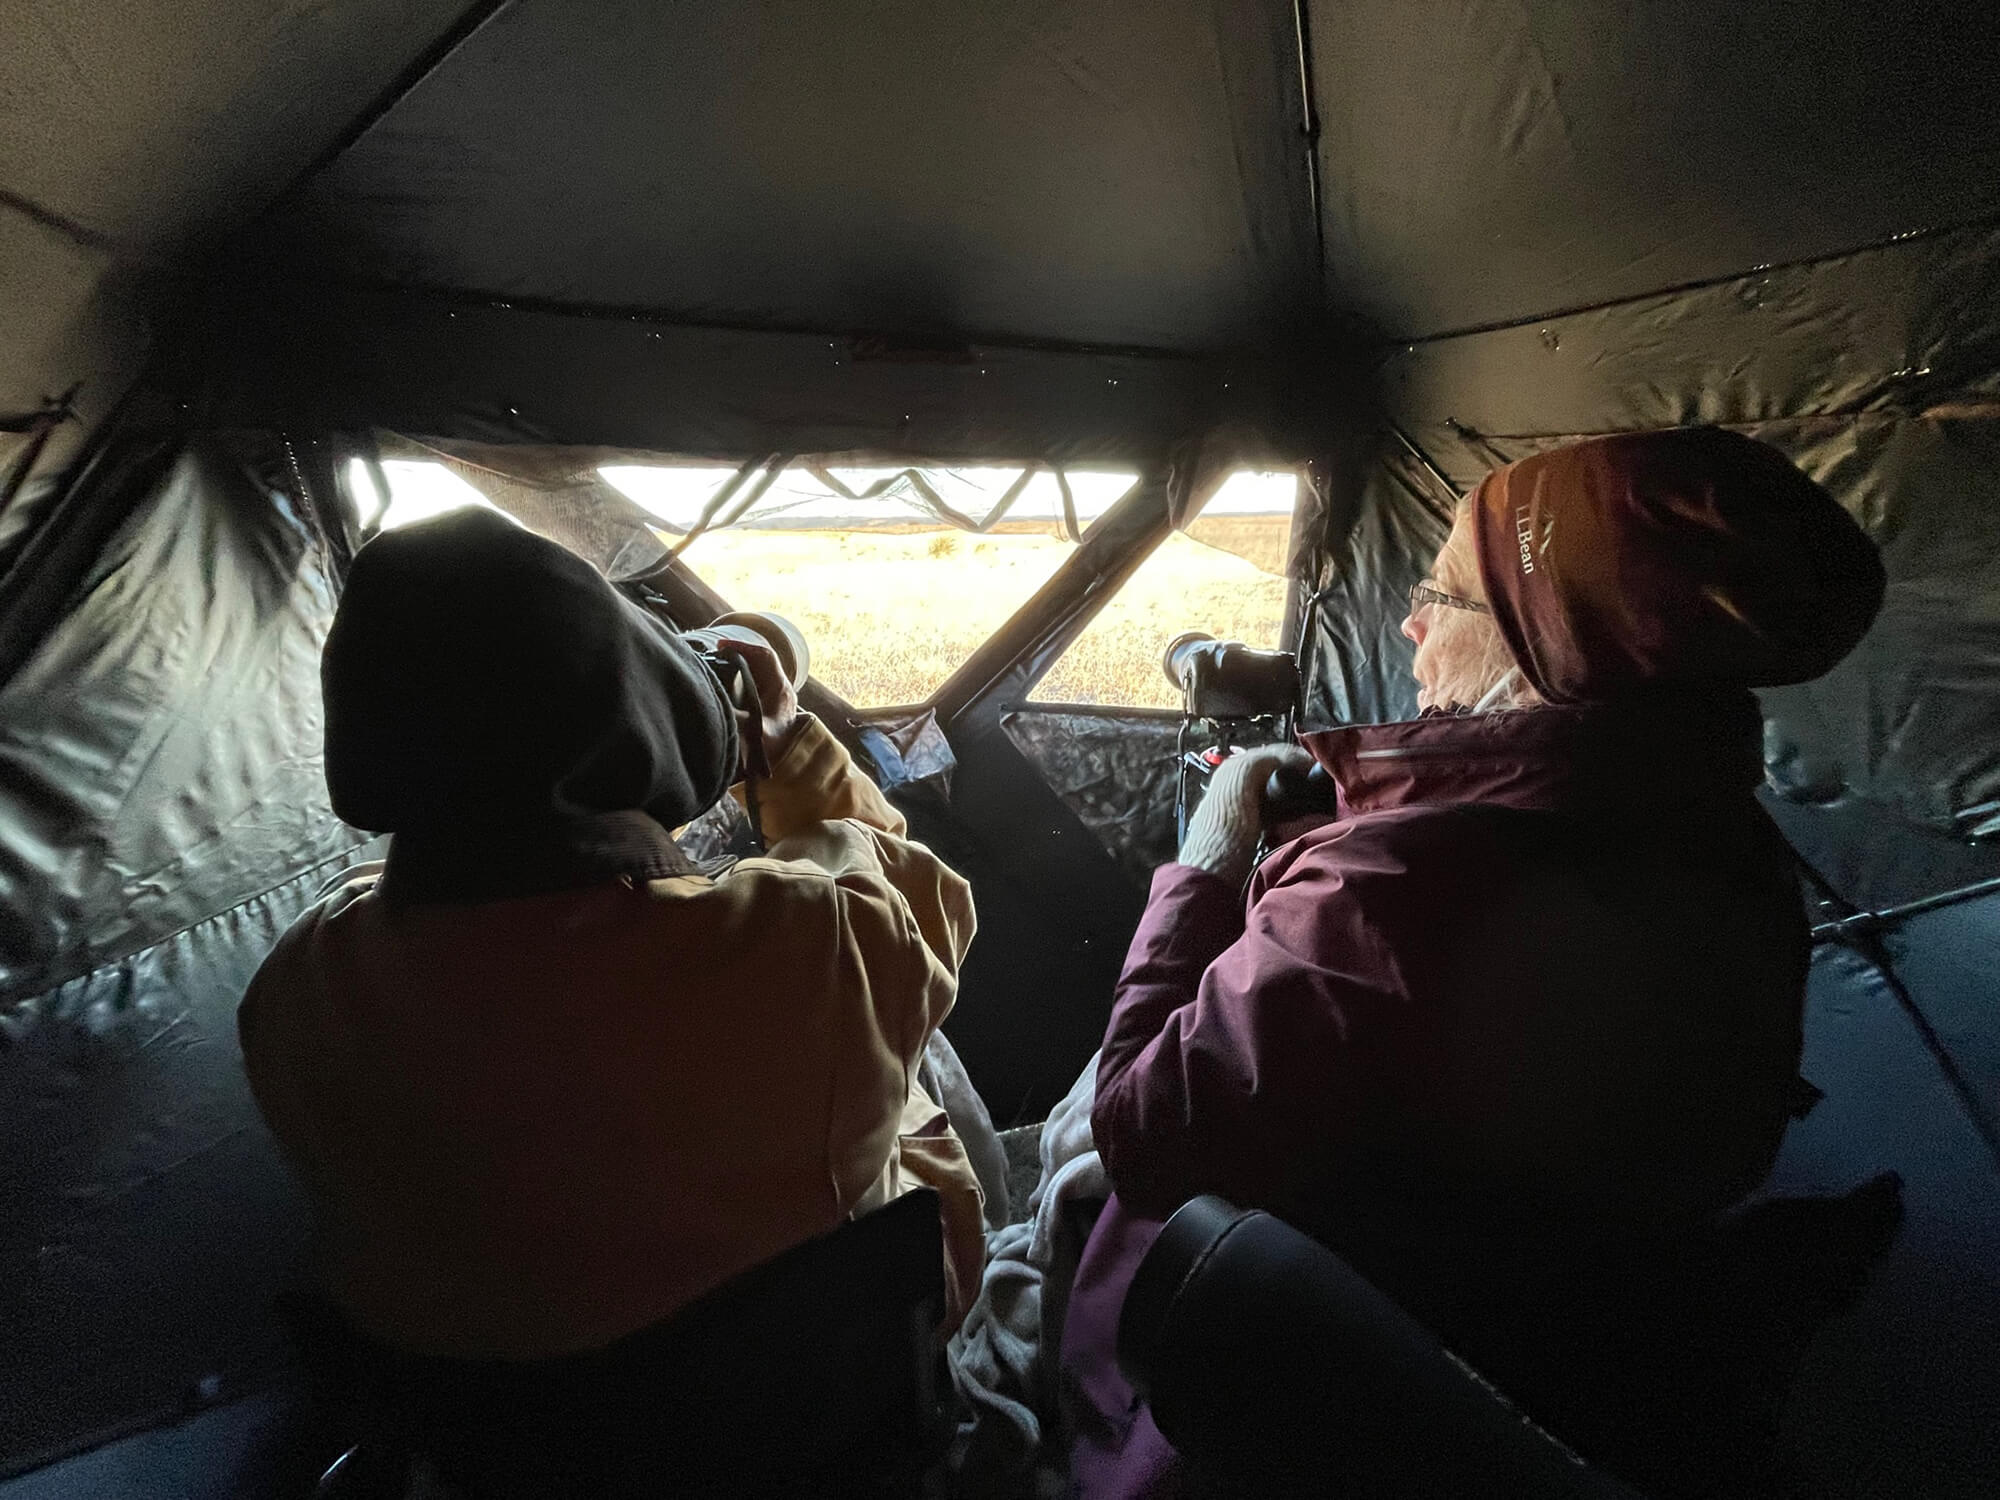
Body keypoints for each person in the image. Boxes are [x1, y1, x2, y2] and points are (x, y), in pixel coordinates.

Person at [1059, 428, 1887, 1497]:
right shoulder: (1729, 841)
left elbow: (1139, 1137)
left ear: (1552, 642)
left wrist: (1212, 856)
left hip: (1312, 1374)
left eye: (1443, 596)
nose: (1407, 619)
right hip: (1540, 1335)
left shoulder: (1387, 887)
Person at [239, 507, 985, 1363]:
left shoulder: (299, 988)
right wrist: (786, 746)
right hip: (805, 1392)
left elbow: (459, 903)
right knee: (919, 1080)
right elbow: (921, 903)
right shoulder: (815, 945)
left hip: (502, 1436)